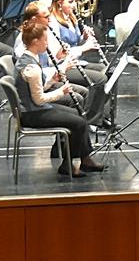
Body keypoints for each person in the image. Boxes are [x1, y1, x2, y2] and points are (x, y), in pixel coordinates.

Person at [14, 19, 105, 177]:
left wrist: (53, 80)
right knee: (78, 123)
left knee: (77, 116)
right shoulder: (32, 67)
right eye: (45, 40)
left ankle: (84, 160)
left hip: (32, 109)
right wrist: (61, 92)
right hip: (32, 114)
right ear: (35, 41)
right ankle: (67, 165)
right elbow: (39, 99)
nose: (47, 43)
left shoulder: (28, 59)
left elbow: (38, 89)